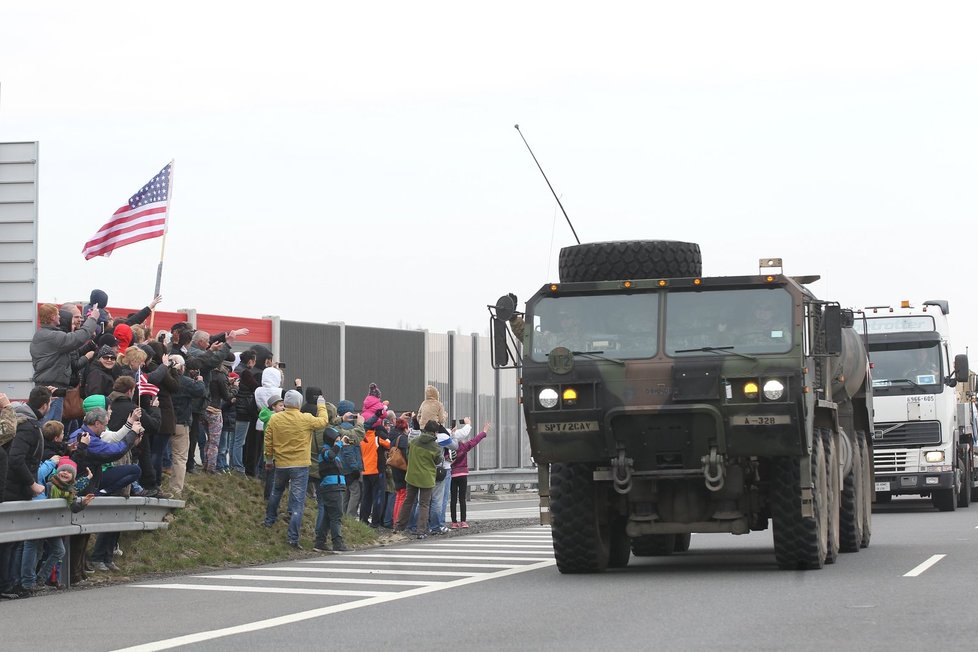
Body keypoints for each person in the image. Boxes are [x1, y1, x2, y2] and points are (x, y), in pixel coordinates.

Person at [262, 390, 330, 548]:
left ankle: (269, 520)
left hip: (281, 464)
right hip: (300, 465)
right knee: (298, 502)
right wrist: (321, 405)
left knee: (276, 491)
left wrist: (268, 459)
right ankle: (293, 538)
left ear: (284, 403)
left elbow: (268, 439)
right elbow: (323, 421)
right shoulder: (305, 419)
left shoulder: (275, 419)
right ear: (299, 404)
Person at [30, 303, 99, 424]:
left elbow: (73, 348)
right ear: (52, 317)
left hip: (51, 388)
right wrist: (92, 318)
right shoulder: (51, 336)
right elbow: (77, 338)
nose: (60, 317)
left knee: (55, 429)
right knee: (50, 429)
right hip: (53, 390)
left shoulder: (43, 335)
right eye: (57, 314)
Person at [393, 420, 443, 539]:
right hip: (426, 478)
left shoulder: (413, 441)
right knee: (424, 504)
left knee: (408, 501)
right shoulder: (435, 447)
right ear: (435, 432)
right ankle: (421, 530)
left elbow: (408, 454)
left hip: (412, 476)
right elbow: (438, 461)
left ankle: (399, 527)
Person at [450, 421, 490, 528]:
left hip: (452, 475)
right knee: (462, 499)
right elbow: (475, 440)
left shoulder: (449, 448)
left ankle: (454, 522)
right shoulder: (464, 446)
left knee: (453, 499)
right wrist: (484, 432)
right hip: (463, 474)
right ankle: (463, 521)